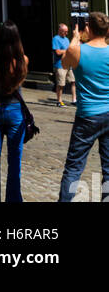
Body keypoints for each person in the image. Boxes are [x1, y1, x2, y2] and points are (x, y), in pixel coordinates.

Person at [58, 11, 109, 203]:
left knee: (73, 168)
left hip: (87, 115)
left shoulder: (77, 50)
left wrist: (75, 37)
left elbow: (64, 63)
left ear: (88, 29)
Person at [0, 21, 28, 204]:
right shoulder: (22, 61)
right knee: (15, 159)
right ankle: (13, 199)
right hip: (15, 111)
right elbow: (19, 84)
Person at [52, 23, 77, 107]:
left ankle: (74, 100)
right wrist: (67, 51)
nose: (66, 33)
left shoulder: (66, 39)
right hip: (60, 65)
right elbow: (58, 52)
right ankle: (59, 101)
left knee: (73, 81)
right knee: (61, 84)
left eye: (67, 32)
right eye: (65, 32)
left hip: (69, 64)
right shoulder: (56, 39)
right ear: (60, 31)